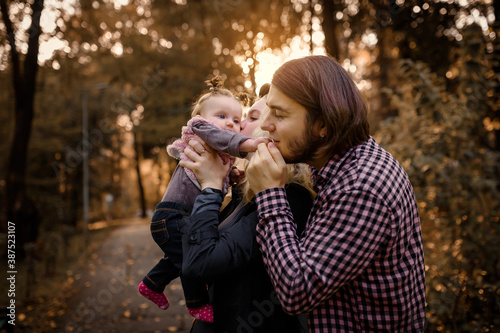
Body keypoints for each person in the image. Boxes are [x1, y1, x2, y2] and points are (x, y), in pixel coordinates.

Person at [246, 55, 426, 332]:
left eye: (280, 115)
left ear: (324, 125)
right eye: (268, 110)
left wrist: (270, 194)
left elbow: (297, 291)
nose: (266, 124)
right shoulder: (345, 164)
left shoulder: (361, 188)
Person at [176, 97, 313, 332]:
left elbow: (199, 263)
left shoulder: (289, 196)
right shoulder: (246, 191)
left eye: (250, 118)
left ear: (269, 131)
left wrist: (211, 186)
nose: (237, 127)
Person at [138, 77, 266, 323]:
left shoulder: (214, 150)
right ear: (200, 117)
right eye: (221, 116)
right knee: (190, 259)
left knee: (179, 256)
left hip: (178, 216)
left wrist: (235, 176)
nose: (230, 123)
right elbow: (225, 140)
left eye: (237, 120)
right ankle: (197, 303)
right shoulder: (202, 130)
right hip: (173, 215)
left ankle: (152, 284)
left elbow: (219, 174)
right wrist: (249, 143)